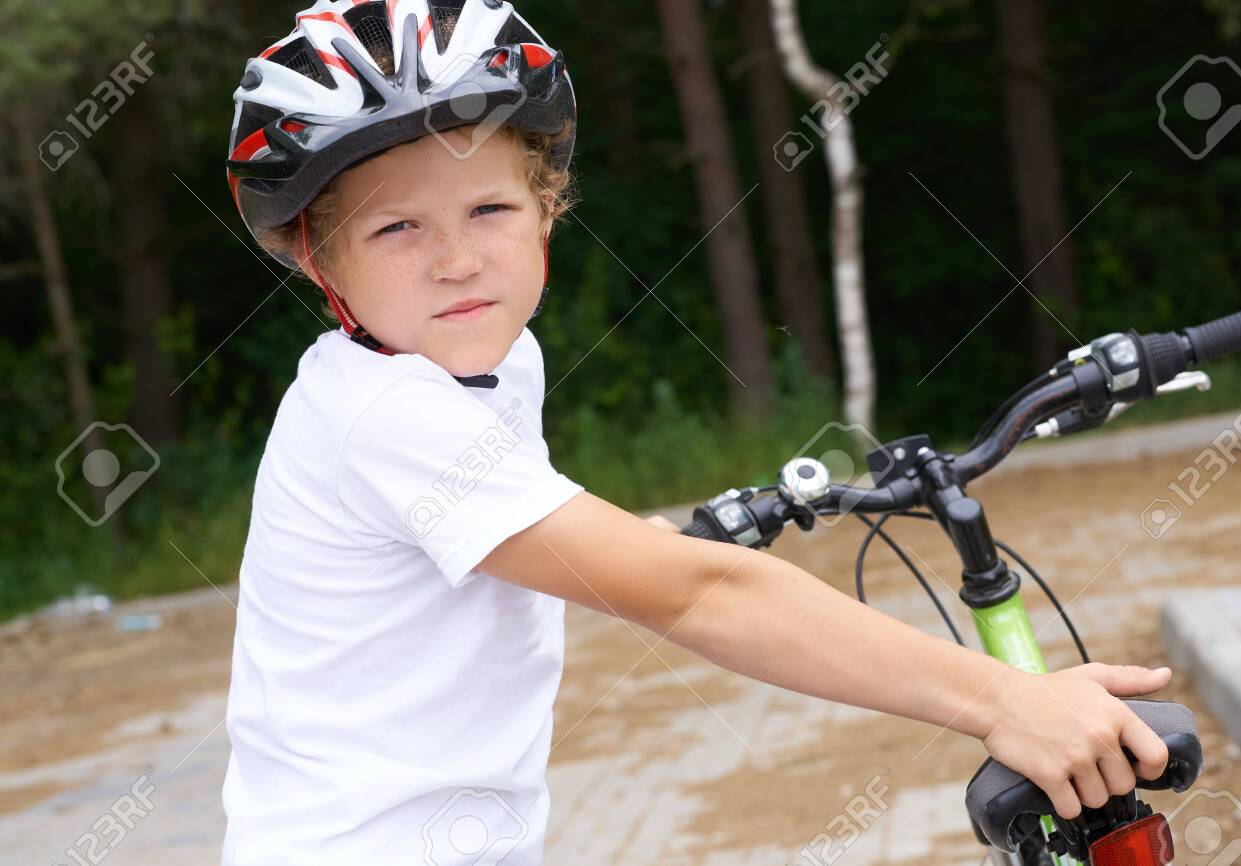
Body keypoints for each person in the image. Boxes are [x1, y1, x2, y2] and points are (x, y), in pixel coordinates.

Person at [221, 2, 1172, 864]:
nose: (458, 260)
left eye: (489, 208)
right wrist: (1006, 700)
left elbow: (540, 535)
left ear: (547, 208)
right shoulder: (383, 412)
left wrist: (666, 536)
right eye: (397, 229)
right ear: (314, 254)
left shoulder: (488, 363)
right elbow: (696, 598)